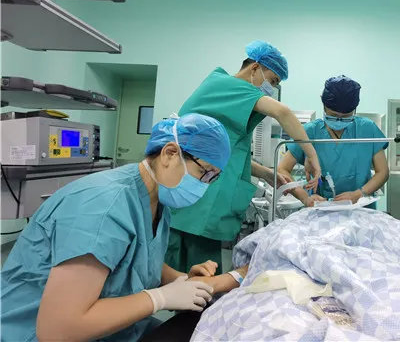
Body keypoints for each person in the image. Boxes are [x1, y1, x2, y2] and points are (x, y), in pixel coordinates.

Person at [0, 114, 232, 342]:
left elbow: (136, 256)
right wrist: (159, 298)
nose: (204, 185)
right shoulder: (104, 208)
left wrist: (180, 281)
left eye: (213, 178)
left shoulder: (156, 199)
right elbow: (57, 330)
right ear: (170, 154)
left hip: (115, 328)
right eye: (204, 172)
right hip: (39, 331)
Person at [166, 40, 322, 274]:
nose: (271, 88)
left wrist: (266, 173)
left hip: (194, 192)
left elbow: (226, 154)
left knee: (188, 269)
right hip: (199, 197)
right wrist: (311, 156)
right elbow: (283, 112)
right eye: (272, 81)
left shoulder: (225, 96)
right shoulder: (230, 86)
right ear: (255, 68)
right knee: (197, 273)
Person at [277, 75, 389, 208]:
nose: (339, 120)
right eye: (333, 115)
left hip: (361, 209)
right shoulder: (310, 132)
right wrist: (305, 197)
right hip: (319, 208)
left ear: (354, 109)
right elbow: (282, 169)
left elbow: (383, 172)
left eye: (346, 116)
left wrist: (359, 194)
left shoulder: (367, 129)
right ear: (323, 105)